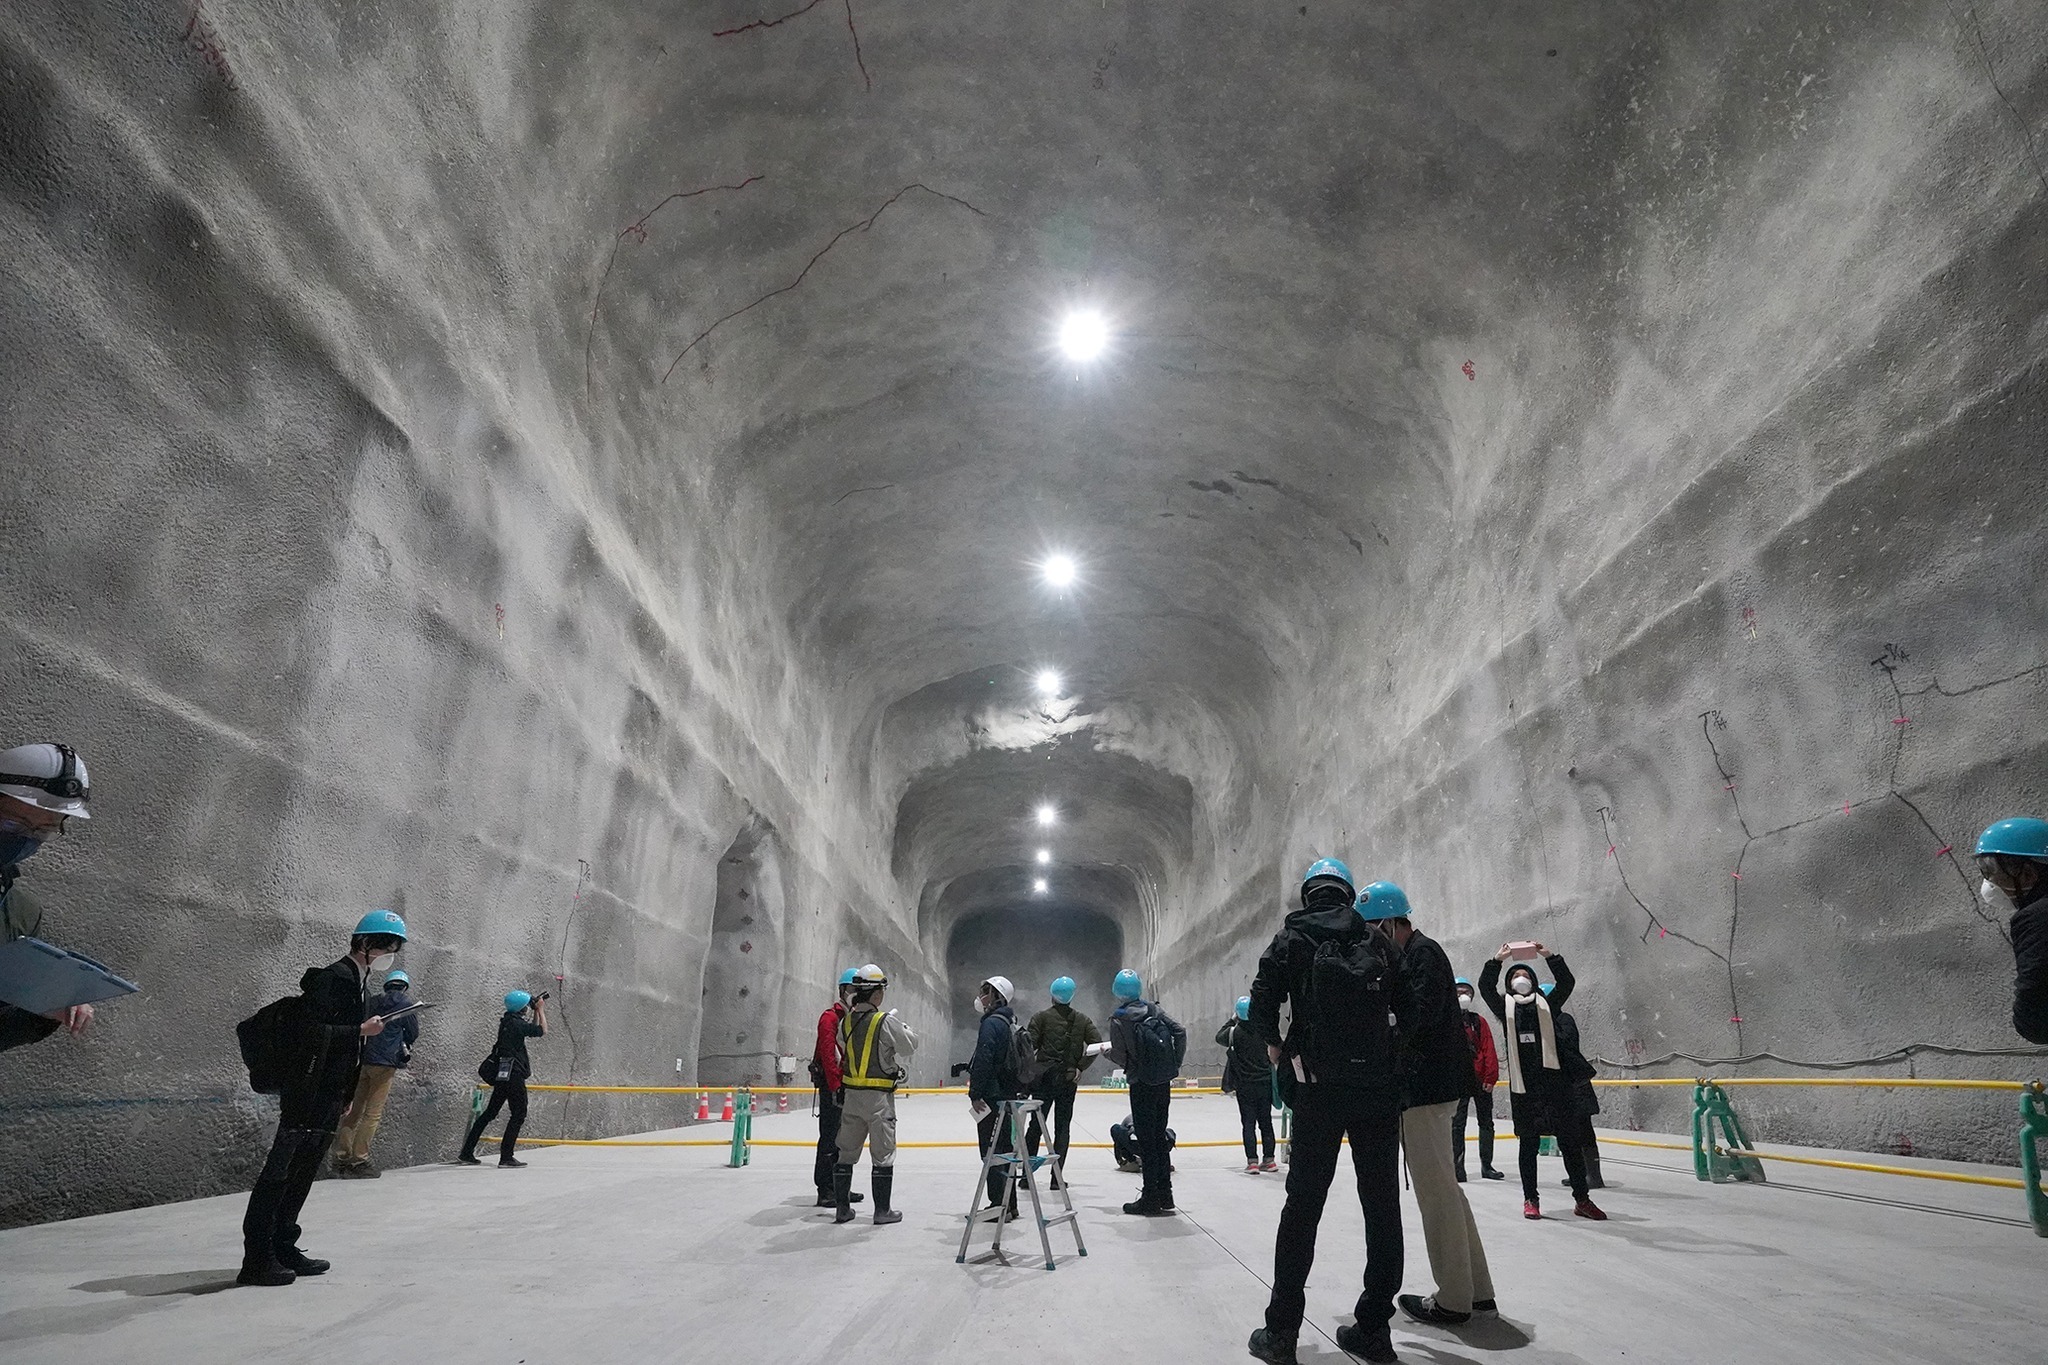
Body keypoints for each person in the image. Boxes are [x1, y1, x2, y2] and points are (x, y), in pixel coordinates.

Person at [1246, 859, 1414, 1365]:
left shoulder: (1291, 938)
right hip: (1376, 1093)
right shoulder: (1376, 940)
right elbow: (1408, 1012)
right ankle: (1374, 1330)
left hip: (1317, 1091)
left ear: (1308, 894)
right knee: (1382, 1207)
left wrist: (1278, 1047)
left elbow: (1259, 1006)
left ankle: (1282, 1334)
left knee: (1302, 1209)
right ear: (1346, 894)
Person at [239, 908, 405, 1287]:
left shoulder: (357, 982)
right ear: (363, 943)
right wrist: (359, 1030)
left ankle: (284, 1246)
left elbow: (346, 1049)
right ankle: (257, 1258)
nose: (388, 953)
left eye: (393, 947)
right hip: (305, 1093)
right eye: (384, 945)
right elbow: (306, 1034)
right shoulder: (333, 979)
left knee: (301, 1174)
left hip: (328, 1094)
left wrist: (346, 1092)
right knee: (279, 1174)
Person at [1361, 881, 1497, 1330]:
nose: (1371, 939)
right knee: (1447, 1193)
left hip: (1425, 1093)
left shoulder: (1420, 955)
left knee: (1435, 1195)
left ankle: (1453, 1301)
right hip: (1435, 1090)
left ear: (1389, 922)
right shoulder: (1420, 954)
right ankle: (1477, 1292)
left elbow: (1414, 1022)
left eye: (1373, 930)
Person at [1476, 946, 1604, 1222]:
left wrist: (1549, 956)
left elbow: (1567, 982)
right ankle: (1530, 1199)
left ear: (1534, 981)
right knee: (1528, 1147)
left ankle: (1582, 1199)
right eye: (1516, 976)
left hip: (1557, 1087)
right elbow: (1485, 986)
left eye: (1525, 974)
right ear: (1510, 985)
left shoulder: (1548, 1005)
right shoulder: (1505, 1009)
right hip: (1525, 1090)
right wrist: (1498, 960)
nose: (1520, 979)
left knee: (1570, 1145)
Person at [0, 742, 97, 1051]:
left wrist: (43, 1012)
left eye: (43, 831)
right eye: (13, 823)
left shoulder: (20, 914)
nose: (25, 839)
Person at [833, 963, 916, 1225]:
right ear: (877, 994)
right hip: (878, 1098)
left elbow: (844, 1044)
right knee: (882, 1155)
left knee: (845, 1153)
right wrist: (903, 1027)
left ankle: (842, 1209)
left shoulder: (846, 1022)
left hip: (852, 1097)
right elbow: (909, 1047)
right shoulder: (885, 1021)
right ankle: (882, 1212)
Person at [1106, 967, 1186, 1216]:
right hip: (1162, 1081)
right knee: (1159, 1136)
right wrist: (1174, 1064)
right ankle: (1166, 1195)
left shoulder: (1119, 1019)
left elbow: (1120, 1056)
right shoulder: (1155, 1010)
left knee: (1146, 1140)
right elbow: (1180, 1031)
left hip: (1140, 1083)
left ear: (1118, 992)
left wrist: (1106, 1052)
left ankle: (1150, 1199)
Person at [330, 969, 421, 1178]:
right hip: (386, 1064)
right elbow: (413, 1033)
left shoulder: (372, 1002)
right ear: (404, 986)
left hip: (363, 1061)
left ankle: (340, 1160)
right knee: (372, 1114)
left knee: (353, 1111)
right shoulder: (407, 1005)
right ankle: (359, 1160)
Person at [1025, 975, 1102, 1187]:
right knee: (1063, 1128)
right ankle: (1056, 1179)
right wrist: (1080, 1066)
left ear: (1052, 995)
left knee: (1035, 1126)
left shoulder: (1040, 1018)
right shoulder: (1082, 1020)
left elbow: (1028, 1047)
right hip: (1068, 1080)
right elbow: (1096, 1043)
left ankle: (1026, 1177)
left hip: (1043, 1081)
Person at [1976, 817, 2048, 1043]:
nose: (1989, 881)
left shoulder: (2037, 918)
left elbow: (2035, 1018)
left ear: (2028, 874)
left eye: (1991, 870)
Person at [458, 989, 545, 1168]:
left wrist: (535, 1010)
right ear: (522, 1008)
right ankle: (506, 1156)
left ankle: (467, 1152)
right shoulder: (516, 1024)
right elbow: (541, 1031)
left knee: (489, 1113)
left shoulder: (507, 1022)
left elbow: (531, 1031)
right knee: (519, 1113)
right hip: (514, 1074)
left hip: (503, 1074)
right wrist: (541, 1010)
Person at [967, 975, 1025, 1218]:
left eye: (986, 991)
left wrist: (975, 1092)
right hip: (1006, 1095)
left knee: (991, 1151)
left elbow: (984, 1059)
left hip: (990, 1097)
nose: (981, 996)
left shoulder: (991, 1024)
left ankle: (998, 1206)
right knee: (1004, 1150)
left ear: (996, 996)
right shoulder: (1009, 1022)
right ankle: (1009, 1205)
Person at [1542, 985, 1604, 1191]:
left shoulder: (1564, 1019)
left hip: (1576, 1084)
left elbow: (1566, 1044)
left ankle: (1594, 1176)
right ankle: (1579, 1173)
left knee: (1584, 1129)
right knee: (1570, 1132)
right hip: (1561, 1084)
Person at [811, 968, 862, 1208]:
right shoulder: (830, 1018)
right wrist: (835, 1087)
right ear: (842, 990)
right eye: (852, 990)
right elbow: (829, 1055)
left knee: (845, 1139)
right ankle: (825, 1189)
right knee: (830, 1138)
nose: (856, 995)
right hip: (834, 1087)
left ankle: (842, 1187)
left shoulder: (853, 1018)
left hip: (848, 1086)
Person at [1451, 978, 1504, 1182]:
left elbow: (1488, 1048)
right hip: (1459, 1080)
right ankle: (1458, 1168)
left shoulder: (1478, 1021)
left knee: (1486, 1123)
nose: (1463, 995)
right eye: (1458, 991)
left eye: (1466, 992)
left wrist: (1491, 1078)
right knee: (1457, 1124)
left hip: (1481, 1079)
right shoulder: (1447, 1020)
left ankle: (1487, 1166)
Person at [1217, 995, 1277, 1172]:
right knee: (1266, 1122)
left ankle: (1252, 1162)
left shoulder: (1234, 1033)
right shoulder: (1265, 1031)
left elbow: (1218, 1036)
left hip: (1245, 1086)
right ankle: (1269, 1160)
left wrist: (1232, 1018)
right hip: (1265, 1083)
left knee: (1248, 1124)